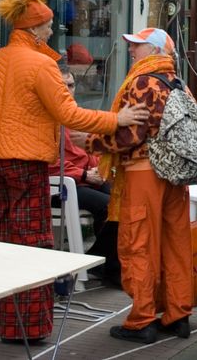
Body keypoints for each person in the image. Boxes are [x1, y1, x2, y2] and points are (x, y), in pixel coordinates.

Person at [0, 0, 148, 343]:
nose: (50, 30)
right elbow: (68, 113)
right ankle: (24, 327)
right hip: (27, 164)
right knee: (31, 244)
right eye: (46, 26)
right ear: (32, 29)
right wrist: (116, 121)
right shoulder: (42, 65)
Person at [79, 28, 194, 344]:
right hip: (175, 177)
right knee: (175, 244)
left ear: (154, 51)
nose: (131, 51)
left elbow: (130, 135)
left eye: (137, 46)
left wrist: (90, 141)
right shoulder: (179, 84)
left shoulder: (143, 83)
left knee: (138, 243)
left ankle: (142, 319)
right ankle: (177, 314)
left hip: (144, 175)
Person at [49, 65, 118, 284]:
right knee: (109, 205)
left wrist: (98, 169)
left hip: (86, 179)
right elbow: (49, 162)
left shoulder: (76, 114)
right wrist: (85, 174)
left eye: (71, 84)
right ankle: (104, 265)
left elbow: (90, 151)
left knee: (124, 201)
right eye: (63, 85)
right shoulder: (47, 118)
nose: (69, 90)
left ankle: (104, 263)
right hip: (62, 185)